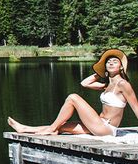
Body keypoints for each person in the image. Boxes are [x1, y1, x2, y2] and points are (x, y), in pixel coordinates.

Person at [7, 49, 138, 136]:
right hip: (97, 123)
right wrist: (99, 73)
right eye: (108, 62)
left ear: (121, 67)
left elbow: (136, 108)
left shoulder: (123, 84)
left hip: (107, 129)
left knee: (73, 97)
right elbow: (85, 83)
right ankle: (24, 129)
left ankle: (51, 128)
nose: (110, 63)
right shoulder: (107, 85)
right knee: (62, 126)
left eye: (115, 61)